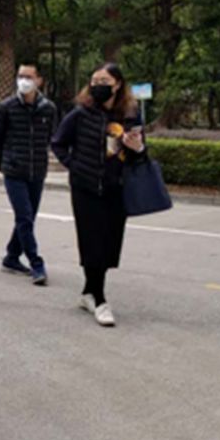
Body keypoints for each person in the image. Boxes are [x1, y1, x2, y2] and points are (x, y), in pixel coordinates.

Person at [51, 63, 147, 327]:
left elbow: (142, 153)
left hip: (117, 188)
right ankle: (100, 299)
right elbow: (58, 143)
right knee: (91, 242)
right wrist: (75, 166)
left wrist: (137, 148)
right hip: (86, 189)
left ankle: (88, 293)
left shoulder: (130, 115)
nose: (98, 86)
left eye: (104, 81)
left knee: (108, 244)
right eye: (94, 81)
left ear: (118, 84)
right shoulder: (81, 113)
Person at [0, 63, 57, 285]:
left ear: (39, 80)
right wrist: (3, 164)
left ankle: (11, 257)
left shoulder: (48, 108)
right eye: (21, 76)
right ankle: (37, 264)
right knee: (25, 217)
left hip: (37, 171)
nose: (24, 81)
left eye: (29, 76)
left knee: (27, 218)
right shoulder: (6, 107)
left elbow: (51, 137)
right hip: (14, 171)